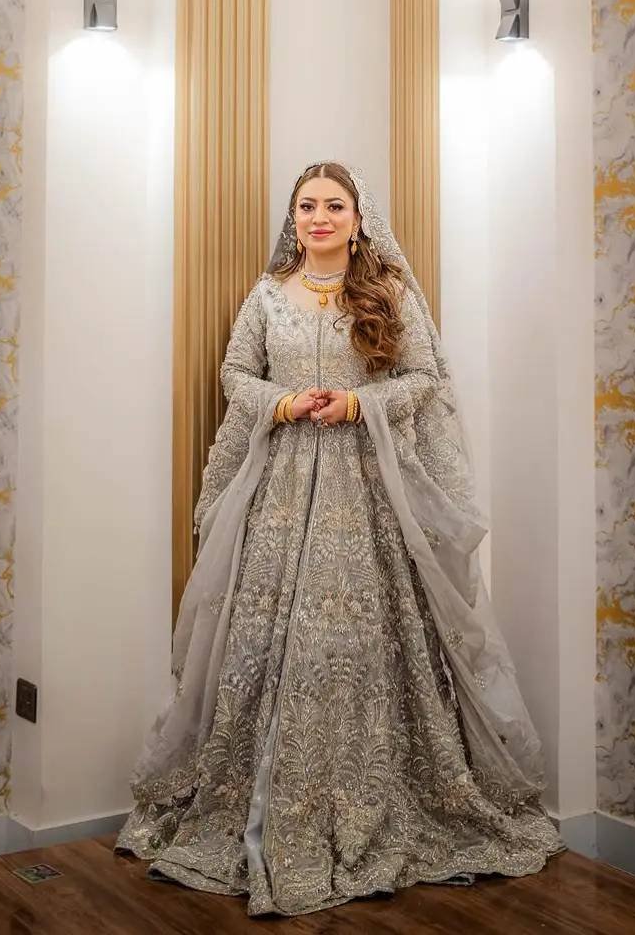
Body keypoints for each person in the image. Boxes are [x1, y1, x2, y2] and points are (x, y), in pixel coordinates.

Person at [115, 160, 565, 916]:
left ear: (359, 220)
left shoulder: (389, 293)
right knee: (268, 644)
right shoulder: (267, 295)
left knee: (360, 645)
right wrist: (285, 402)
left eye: (333, 206)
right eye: (306, 206)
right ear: (293, 220)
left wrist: (359, 405)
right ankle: (261, 808)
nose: (318, 217)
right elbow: (234, 374)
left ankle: (379, 800)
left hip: (368, 489)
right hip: (283, 490)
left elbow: (424, 377)